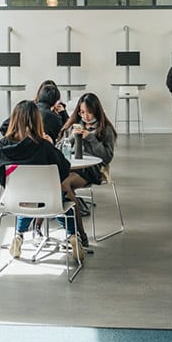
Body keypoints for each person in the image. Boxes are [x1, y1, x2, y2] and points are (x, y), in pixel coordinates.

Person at [0, 100, 82, 259]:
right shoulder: (43, 145)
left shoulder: (2, 145)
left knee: (27, 199)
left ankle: (19, 236)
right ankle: (72, 236)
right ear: (37, 120)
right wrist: (50, 144)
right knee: (60, 200)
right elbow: (63, 169)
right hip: (48, 200)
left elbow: (1, 176)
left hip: (15, 200)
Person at [60, 93, 116, 249]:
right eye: (82, 112)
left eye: (89, 112)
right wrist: (71, 137)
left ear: (96, 111)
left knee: (64, 185)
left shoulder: (106, 129)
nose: (85, 116)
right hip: (72, 166)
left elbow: (107, 157)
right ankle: (43, 230)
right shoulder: (74, 125)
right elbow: (58, 150)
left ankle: (79, 234)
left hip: (93, 170)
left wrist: (90, 138)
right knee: (55, 183)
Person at [0, 81, 65, 143]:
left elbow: (3, 128)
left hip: (18, 150)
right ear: (56, 101)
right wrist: (63, 113)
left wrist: (16, 142)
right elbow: (63, 135)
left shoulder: (24, 108)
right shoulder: (55, 118)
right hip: (41, 152)